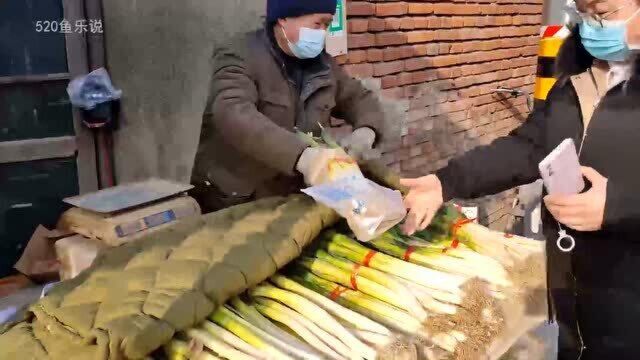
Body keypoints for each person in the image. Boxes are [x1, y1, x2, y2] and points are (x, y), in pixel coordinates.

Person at [400, 0, 640, 358]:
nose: (593, 28)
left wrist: (619, 205)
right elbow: (530, 146)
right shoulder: (577, 79)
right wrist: (444, 182)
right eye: (585, 16)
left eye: (603, 14)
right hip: (576, 298)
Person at [191, 0, 388, 212]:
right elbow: (232, 113)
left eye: (327, 25)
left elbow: (359, 98)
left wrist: (367, 131)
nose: (322, 33)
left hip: (289, 196)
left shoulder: (323, 65)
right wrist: (303, 156)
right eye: (317, 24)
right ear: (284, 18)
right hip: (235, 196)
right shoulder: (239, 55)